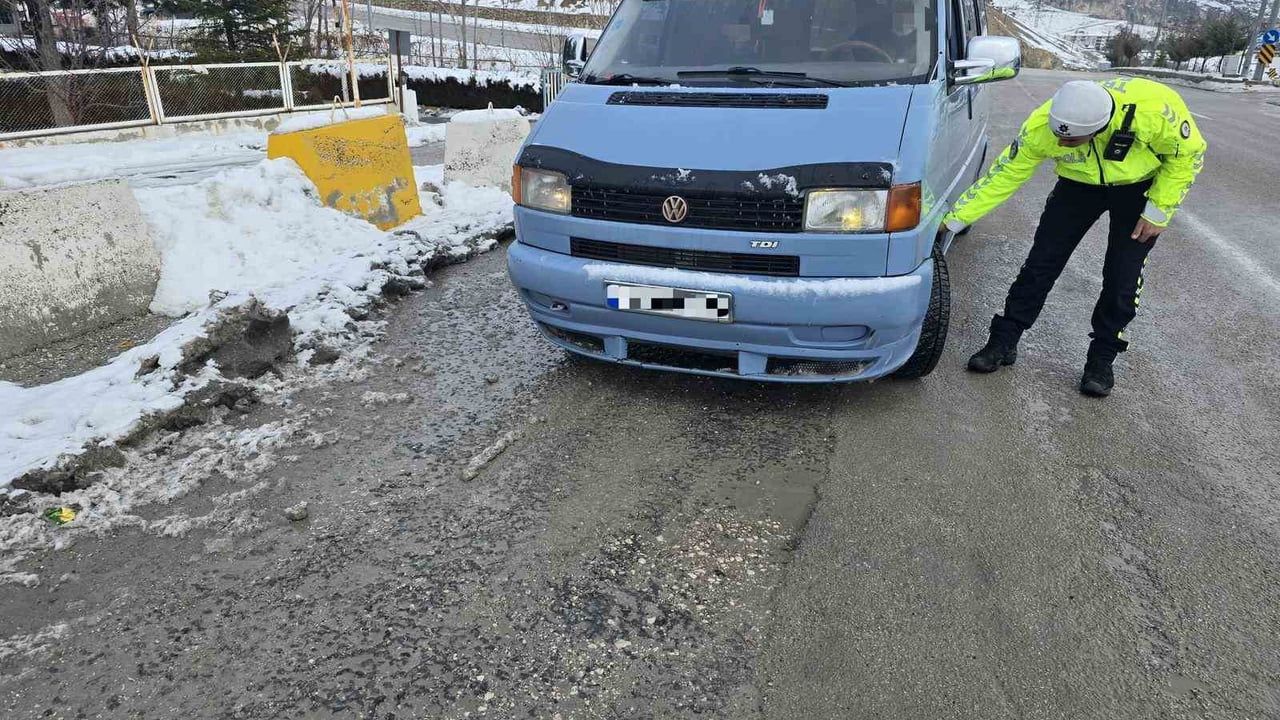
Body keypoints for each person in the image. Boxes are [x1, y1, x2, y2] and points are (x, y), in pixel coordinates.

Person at [942, 77, 1206, 398]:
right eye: (1059, 137)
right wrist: (954, 219)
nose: (1062, 144)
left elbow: (1187, 155)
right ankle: (1004, 340)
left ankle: (1101, 359)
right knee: (1040, 264)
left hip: (1138, 188)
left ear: (1099, 128)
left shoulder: (1153, 110)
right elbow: (1005, 175)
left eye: (1071, 141)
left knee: (1122, 276)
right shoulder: (1042, 125)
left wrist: (1158, 210)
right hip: (1076, 187)